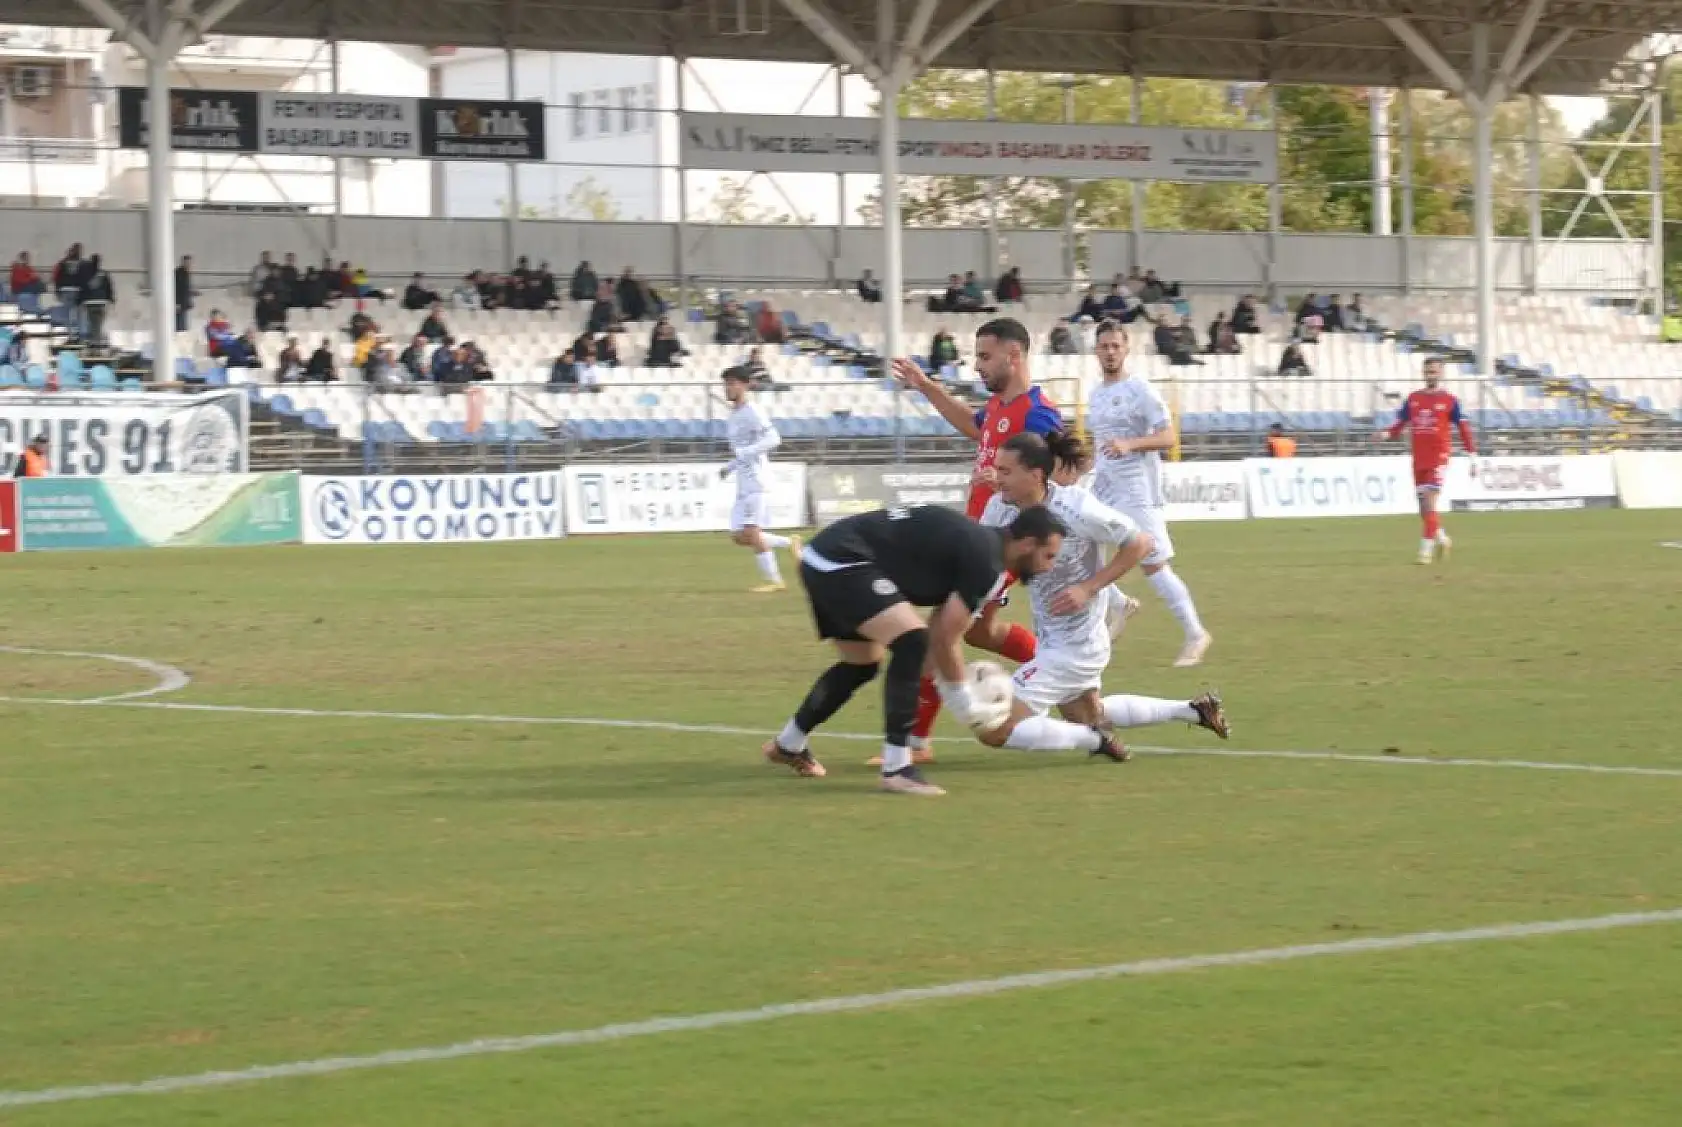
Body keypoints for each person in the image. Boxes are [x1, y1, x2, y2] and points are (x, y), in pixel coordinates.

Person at [762, 503, 1070, 796]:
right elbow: (943, 639)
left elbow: (940, 633)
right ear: (1028, 544)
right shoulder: (987, 562)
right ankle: (897, 769)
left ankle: (789, 744)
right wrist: (964, 700)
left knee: (862, 664)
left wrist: (943, 683)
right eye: (1049, 555)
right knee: (911, 641)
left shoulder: (984, 549)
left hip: (825, 558)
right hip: (842, 561)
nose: (1049, 566)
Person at [977, 431, 1230, 752]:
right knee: (1087, 714)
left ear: (1035, 475)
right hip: (1052, 639)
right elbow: (982, 553)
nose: (996, 478)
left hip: (1077, 645)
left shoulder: (1075, 508)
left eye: (1005, 471)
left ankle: (1097, 740)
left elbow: (1140, 543)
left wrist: (1089, 587)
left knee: (994, 726)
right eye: (995, 469)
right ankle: (1193, 710)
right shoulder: (1000, 508)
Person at [888, 317, 1062, 763]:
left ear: (1014, 356)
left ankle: (914, 743)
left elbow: (1057, 477)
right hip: (977, 535)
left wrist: (1006, 484)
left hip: (1001, 541)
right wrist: (926, 386)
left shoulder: (1037, 413)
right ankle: (1055, 667)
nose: (978, 367)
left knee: (938, 632)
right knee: (981, 633)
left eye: (985, 357)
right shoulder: (1000, 408)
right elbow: (972, 423)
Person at [1087, 320, 1214, 667]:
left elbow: (1168, 437)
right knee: (1074, 542)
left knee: (1153, 565)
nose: (1110, 352)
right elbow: (1100, 445)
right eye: (1104, 346)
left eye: (1116, 346)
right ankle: (1119, 605)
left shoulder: (1140, 390)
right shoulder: (1095, 394)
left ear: (1126, 349)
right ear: (1096, 351)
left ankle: (1195, 633)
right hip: (1104, 487)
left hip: (1137, 490)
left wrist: (1130, 443)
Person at [1374, 356, 1476, 565]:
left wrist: (1472, 454)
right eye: (1428, 371)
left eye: (1434, 371)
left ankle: (1425, 552)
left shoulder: (1450, 400)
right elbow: (1399, 425)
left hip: (1439, 457)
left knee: (1430, 501)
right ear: (1424, 373)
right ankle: (1442, 539)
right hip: (1419, 458)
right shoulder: (1413, 399)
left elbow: (1464, 428)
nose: (1431, 375)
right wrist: (1385, 434)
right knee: (1423, 508)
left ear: (1441, 374)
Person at [721, 366, 801, 593]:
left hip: (757, 480)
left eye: (733, 383)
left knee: (753, 532)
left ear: (746, 385)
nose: (729, 388)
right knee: (739, 535)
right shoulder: (734, 415)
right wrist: (730, 466)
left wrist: (744, 455)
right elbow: (742, 450)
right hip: (742, 481)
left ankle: (775, 581)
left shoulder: (752, 410)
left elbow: (774, 438)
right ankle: (789, 543)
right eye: (726, 383)